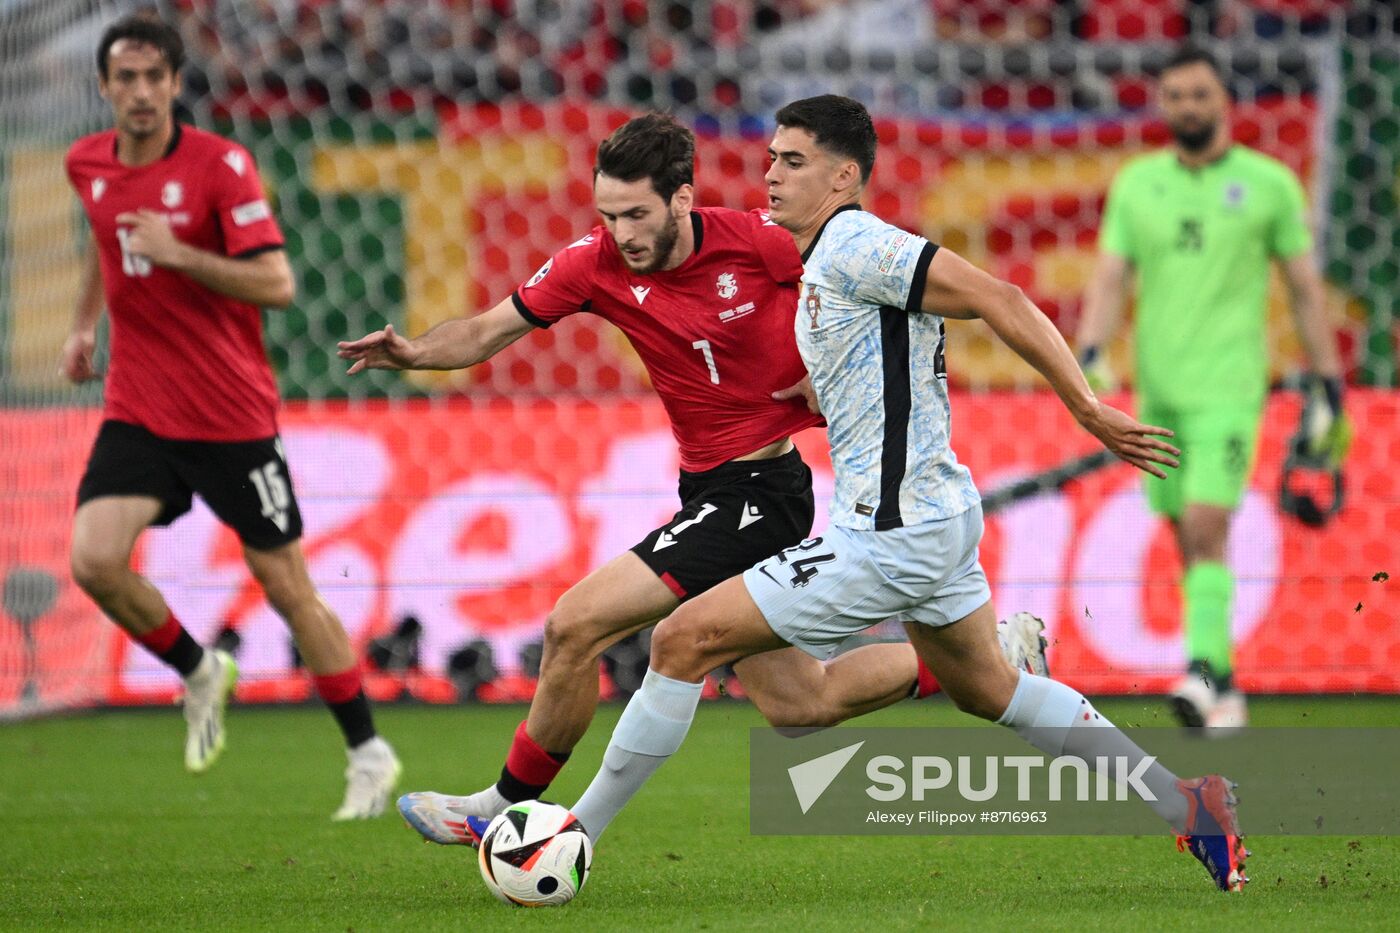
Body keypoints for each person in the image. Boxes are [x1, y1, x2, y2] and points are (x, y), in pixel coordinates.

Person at [566, 95, 1248, 893]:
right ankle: (1187, 804)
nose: (771, 172)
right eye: (771, 157)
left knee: (681, 641)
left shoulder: (858, 243)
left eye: (793, 160)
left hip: (888, 533)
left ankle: (575, 834)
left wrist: (1088, 408)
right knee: (993, 691)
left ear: (843, 175)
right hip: (934, 518)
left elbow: (1005, 298)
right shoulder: (818, 257)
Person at [337, 113, 1049, 845]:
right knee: (803, 703)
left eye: (638, 214)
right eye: (609, 215)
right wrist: (416, 352)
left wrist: (826, 372)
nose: (623, 233)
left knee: (574, 625)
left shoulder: (765, 243)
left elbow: (868, 291)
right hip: (705, 488)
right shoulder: (594, 262)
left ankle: (500, 804)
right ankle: (993, 656)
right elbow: (490, 328)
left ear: (683, 199)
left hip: (760, 491)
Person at [62, 14, 399, 820]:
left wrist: (180, 254)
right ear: (105, 87)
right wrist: (84, 324)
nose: (141, 93)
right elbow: (103, 242)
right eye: (126, 78)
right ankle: (198, 666)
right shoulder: (89, 163)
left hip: (229, 414)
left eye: (155, 78)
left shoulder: (222, 167)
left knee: (287, 586)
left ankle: (367, 750)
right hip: (139, 405)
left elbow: (277, 283)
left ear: (176, 84)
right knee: (94, 560)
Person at [1076, 46, 1346, 731]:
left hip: (1229, 388)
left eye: (1199, 94)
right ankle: (1223, 681)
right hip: (1157, 390)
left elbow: (1304, 289)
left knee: (1204, 523)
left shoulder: (1269, 184)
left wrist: (1328, 382)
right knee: (1183, 532)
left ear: (1224, 101)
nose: (1188, 107)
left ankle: (1202, 671)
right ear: (1162, 104)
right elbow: (1111, 276)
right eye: (1175, 96)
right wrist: (1090, 353)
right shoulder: (1139, 184)